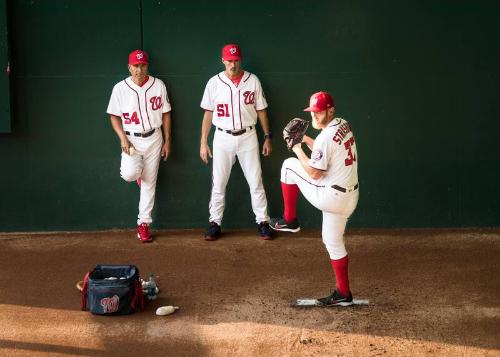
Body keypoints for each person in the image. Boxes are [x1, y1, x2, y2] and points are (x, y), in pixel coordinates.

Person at [270, 91, 359, 306]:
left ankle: (290, 219)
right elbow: (323, 148)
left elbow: (314, 173)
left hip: (331, 196)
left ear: (331, 110)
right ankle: (343, 293)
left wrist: (296, 148)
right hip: (349, 197)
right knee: (333, 242)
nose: (314, 117)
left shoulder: (325, 138)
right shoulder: (342, 124)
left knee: (289, 166)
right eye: (313, 112)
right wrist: (306, 139)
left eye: (319, 113)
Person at [199, 44, 273, 241]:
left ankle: (263, 222)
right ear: (223, 60)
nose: (233, 64)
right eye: (229, 60)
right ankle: (215, 223)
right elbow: (208, 113)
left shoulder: (253, 80)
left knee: (256, 181)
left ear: (240, 60)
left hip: (248, 135)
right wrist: (203, 142)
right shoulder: (214, 83)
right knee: (219, 183)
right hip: (222, 137)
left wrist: (267, 136)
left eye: (236, 60)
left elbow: (261, 110)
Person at [106, 50, 172, 243]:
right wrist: (122, 138)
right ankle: (138, 176)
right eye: (135, 66)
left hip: (154, 137)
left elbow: (166, 112)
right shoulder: (120, 88)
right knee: (130, 175)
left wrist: (168, 140)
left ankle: (143, 224)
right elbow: (113, 116)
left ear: (147, 66)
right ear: (129, 67)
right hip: (132, 140)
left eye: (142, 65)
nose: (139, 69)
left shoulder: (158, 85)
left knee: (150, 182)